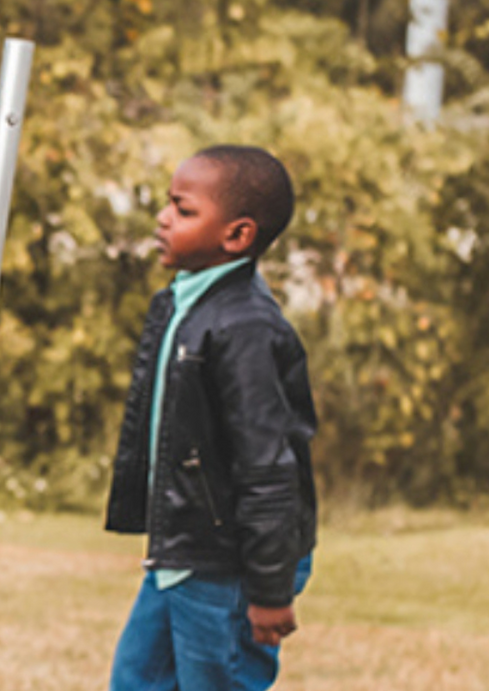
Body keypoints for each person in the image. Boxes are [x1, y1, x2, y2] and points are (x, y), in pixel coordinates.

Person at [104, 145, 318, 691]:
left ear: (237, 236)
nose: (163, 217)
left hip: (230, 563)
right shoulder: (184, 304)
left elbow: (269, 467)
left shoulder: (246, 328)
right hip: (183, 550)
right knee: (136, 680)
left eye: (184, 208)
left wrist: (269, 591)